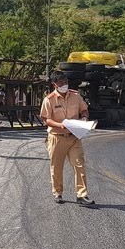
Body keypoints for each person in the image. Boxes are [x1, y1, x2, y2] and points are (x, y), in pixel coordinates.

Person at [39, 70, 95, 206]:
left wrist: (84, 118)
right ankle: (57, 193)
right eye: (61, 83)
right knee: (56, 167)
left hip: (74, 137)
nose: (64, 84)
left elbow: (84, 109)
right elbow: (46, 119)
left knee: (79, 164)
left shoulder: (75, 96)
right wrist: (60, 125)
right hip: (57, 137)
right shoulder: (49, 99)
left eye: (66, 82)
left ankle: (82, 195)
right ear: (54, 84)